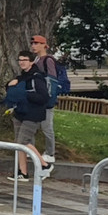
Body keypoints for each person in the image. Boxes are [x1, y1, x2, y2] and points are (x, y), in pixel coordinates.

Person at [5, 51, 52, 180]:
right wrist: (9, 85)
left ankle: (44, 165)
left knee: (23, 141)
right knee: (19, 144)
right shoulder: (22, 77)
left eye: (24, 60)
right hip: (20, 112)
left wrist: (25, 94)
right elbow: (12, 88)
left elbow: (44, 97)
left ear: (31, 61)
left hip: (33, 114)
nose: (21, 62)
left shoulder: (37, 78)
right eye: (20, 60)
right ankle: (23, 172)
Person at [30, 34, 66, 165]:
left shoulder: (48, 60)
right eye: (32, 44)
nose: (34, 46)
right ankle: (33, 151)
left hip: (46, 99)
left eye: (36, 43)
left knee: (46, 127)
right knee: (32, 125)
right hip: (37, 97)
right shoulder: (36, 59)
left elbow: (52, 80)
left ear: (44, 45)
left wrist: (48, 98)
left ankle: (50, 153)